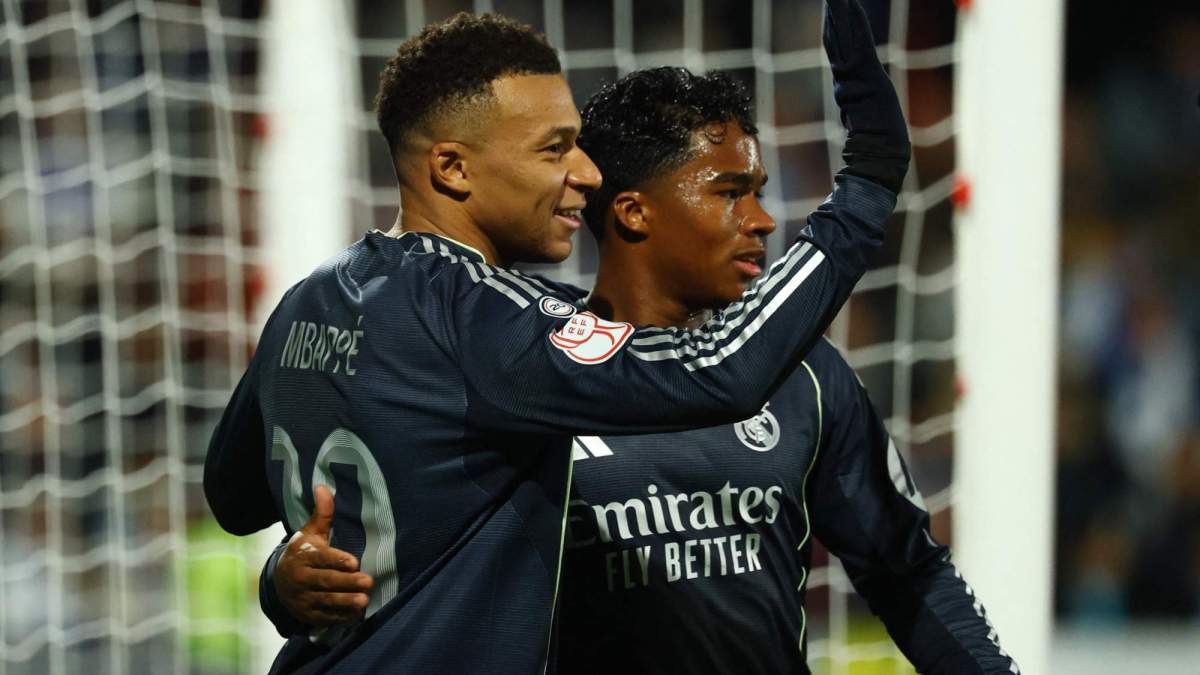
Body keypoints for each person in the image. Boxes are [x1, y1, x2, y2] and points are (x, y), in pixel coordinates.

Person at [260, 6, 1017, 674]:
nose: (762, 220)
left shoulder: (804, 376)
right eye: (729, 193)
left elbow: (907, 570)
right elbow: (396, 542)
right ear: (633, 211)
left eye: (758, 192)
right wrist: (285, 578)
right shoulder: (517, 363)